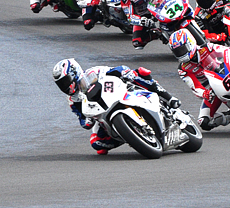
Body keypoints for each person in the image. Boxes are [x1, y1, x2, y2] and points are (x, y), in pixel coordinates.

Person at [52, 59, 182, 155]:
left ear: (74, 72)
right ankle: (130, 136)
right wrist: (88, 119)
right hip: (101, 113)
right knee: (97, 144)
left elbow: (116, 69)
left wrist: (125, 72)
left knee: (140, 73)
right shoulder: (72, 100)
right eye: (61, 84)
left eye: (65, 81)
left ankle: (168, 97)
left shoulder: (93, 72)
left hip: (117, 94)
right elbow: (82, 121)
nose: (65, 86)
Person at [121, 0, 193, 49]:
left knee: (180, 2)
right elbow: (130, 17)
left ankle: (194, 18)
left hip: (159, 6)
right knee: (137, 42)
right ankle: (159, 33)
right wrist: (141, 21)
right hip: (145, 16)